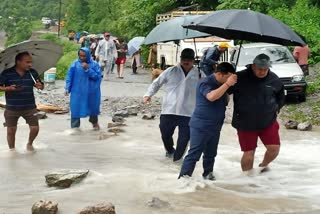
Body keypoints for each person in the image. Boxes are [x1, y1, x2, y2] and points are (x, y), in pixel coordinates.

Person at [179, 62, 237, 180]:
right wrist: (227, 84)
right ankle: (184, 178)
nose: (229, 80)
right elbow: (211, 97)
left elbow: (224, 99)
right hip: (201, 125)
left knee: (211, 154)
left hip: (215, 125)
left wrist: (227, 88)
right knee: (194, 154)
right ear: (220, 74)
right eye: (227, 77)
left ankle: (208, 175)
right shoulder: (205, 82)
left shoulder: (222, 83)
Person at [230, 53, 285, 173]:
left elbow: (281, 96)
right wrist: (229, 82)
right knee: (249, 152)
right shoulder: (239, 77)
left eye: (266, 69)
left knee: (274, 149)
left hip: (268, 120)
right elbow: (226, 91)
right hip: (245, 122)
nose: (263, 72)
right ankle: (248, 180)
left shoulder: (274, 79)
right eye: (260, 69)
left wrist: (277, 108)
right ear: (253, 66)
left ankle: (262, 167)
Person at [143, 48, 200, 161]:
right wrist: (148, 95)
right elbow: (157, 83)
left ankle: (177, 162)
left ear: (193, 60)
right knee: (165, 133)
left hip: (188, 112)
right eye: (184, 59)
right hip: (169, 109)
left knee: (184, 140)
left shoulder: (199, 73)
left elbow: (207, 87)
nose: (186, 62)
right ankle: (169, 151)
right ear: (180, 59)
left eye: (188, 59)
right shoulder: (171, 71)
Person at [0, 52, 44, 151]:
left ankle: (29, 144)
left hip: (30, 107)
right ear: (18, 62)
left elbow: (40, 84)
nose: (30, 64)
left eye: (31, 62)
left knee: (35, 128)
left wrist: (40, 86)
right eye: (27, 62)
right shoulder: (7, 73)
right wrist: (8, 88)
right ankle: (12, 151)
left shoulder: (32, 73)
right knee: (11, 131)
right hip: (12, 107)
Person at [65, 47, 102, 130]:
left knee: (93, 109)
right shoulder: (74, 64)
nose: (82, 58)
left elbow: (97, 77)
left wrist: (88, 69)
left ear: (88, 55)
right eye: (80, 56)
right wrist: (67, 88)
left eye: (84, 56)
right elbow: (69, 77)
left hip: (91, 92)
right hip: (77, 92)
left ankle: (95, 125)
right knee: (75, 109)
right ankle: (75, 131)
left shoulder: (94, 64)